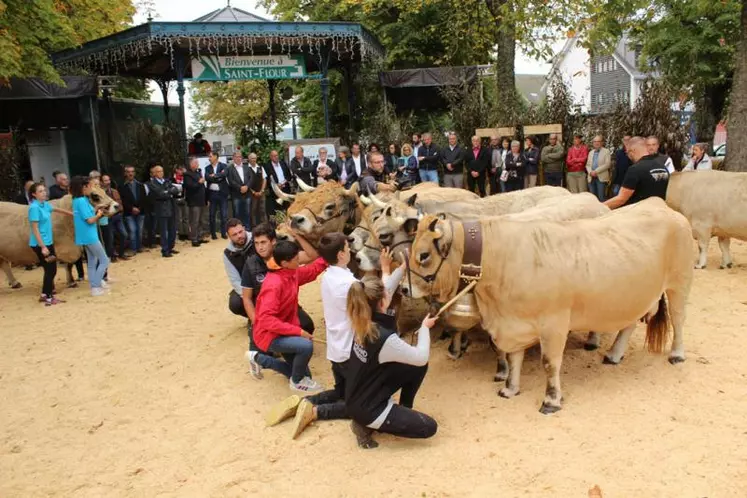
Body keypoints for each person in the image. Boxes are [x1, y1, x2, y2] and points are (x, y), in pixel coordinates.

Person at [344, 276, 438, 449]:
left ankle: (404, 409)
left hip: (361, 393)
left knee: (416, 367)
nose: (389, 292)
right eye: (387, 292)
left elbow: (417, 363)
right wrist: (424, 328)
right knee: (429, 427)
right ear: (382, 302)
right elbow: (421, 356)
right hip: (368, 408)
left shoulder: (363, 319)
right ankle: (363, 425)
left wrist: (394, 270)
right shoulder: (384, 337)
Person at [248, 241, 327, 393]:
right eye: (296, 259)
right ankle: (297, 383)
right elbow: (266, 320)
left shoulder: (290, 272)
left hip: (283, 330)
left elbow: (311, 271)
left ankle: (259, 359)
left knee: (301, 371)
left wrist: (327, 259)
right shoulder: (274, 284)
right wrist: (298, 332)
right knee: (305, 346)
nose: (300, 261)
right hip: (270, 335)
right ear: (285, 262)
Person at [240, 222, 317, 355]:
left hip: (287, 306)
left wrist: (296, 235)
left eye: (263, 242)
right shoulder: (250, 263)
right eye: (256, 243)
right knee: (261, 352)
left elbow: (312, 256)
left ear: (273, 241)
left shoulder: (285, 254)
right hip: (265, 311)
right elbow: (246, 298)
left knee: (307, 326)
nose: (260, 247)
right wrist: (256, 321)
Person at [27, 182, 72, 305]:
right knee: (51, 270)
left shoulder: (44, 204)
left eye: (44, 190)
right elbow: (35, 229)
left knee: (49, 269)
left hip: (48, 242)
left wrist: (72, 214)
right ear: (34, 194)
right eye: (40, 191)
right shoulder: (34, 208)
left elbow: (56, 209)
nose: (44, 192)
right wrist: (43, 247)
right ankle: (48, 297)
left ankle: (44, 294)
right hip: (40, 243)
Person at [604, 136, 670, 209]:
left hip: (639, 214)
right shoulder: (662, 167)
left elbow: (621, 199)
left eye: (627, 153)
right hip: (660, 211)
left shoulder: (635, 169)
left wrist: (600, 206)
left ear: (632, 151)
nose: (628, 156)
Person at [71, 176, 110, 296]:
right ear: (84, 187)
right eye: (90, 186)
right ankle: (96, 285)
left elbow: (86, 214)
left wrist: (96, 208)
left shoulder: (78, 200)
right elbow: (89, 220)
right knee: (104, 260)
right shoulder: (82, 201)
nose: (91, 188)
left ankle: (94, 285)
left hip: (86, 234)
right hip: (89, 235)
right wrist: (98, 215)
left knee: (92, 261)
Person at [147, 165, 181, 258]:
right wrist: (168, 193)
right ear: (154, 173)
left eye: (162, 171)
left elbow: (175, 190)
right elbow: (159, 194)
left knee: (172, 230)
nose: (161, 173)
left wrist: (167, 192)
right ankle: (165, 250)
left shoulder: (167, 181)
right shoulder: (152, 183)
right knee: (163, 231)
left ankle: (170, 247)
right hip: (161, 210)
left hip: (171, 208)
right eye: (158, 171)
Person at [118, 165, 147, 254]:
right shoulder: (121, 186)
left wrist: (139, 208)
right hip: (129, 212)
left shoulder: (140, 185)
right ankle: (133, 248)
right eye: (128, 172)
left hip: (140, 211)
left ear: (134, 173)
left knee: (140, 230)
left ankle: (139, 247)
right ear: (125, 173)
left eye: (132, 171)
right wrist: (132, 208)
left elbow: (144, 198)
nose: (130, 173)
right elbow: (122, 200)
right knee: (132, 230)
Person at [101, 174, 129, 262]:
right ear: (102, 182)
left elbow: (120, 202)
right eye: (105, 181)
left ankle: (121, 253)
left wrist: (121, 212)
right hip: (108, 217)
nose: (108, 182)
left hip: (118, 216)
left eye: (108, 180)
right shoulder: (101, 193)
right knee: (110, 238)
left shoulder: (114, 191)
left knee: (124, 234)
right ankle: (112, 255)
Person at [184, 157, 207, 247]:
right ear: (191, 164)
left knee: (201, 220)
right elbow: (189, 186)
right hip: (194, 201)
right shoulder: (187, 175)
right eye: (196, 162)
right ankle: (194, 239)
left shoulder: (198, 172)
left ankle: (200, 237)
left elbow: (202, 187)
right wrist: (199, 182)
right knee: (194, 221)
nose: (198, 164)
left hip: (201, 200)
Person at [205, 151, 229, 240]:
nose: (209, 158)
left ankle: (223, 233)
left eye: (210, 156)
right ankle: (213, 234)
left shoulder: (223, 166)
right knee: (212, 215)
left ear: (215, 157)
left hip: (222, 194)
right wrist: (218, 177)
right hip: (212, 194)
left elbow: (224, 174)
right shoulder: (207, 168)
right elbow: (207, 178)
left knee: (224, 215)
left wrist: (214, 176)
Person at [226, 151, 253, 228]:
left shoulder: (247, 167)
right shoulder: (229, 168)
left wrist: (247, 187)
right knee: (237, 213)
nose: (238, 158)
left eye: (240, 157)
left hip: (247, 194)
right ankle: (238, 229)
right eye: (237, 157)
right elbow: (231, 181)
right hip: (236, 194)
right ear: (233, 158)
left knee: (247, 213)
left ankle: (247, 229)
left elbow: (251, 178)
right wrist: (240, 187)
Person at [264, 150, 293, 217]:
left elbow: (289, 176)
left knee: (287, 208)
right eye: (274, 156)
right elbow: (267, 180)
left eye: (277, 155)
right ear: (270, 157)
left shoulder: (283, 163)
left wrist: (284, 182)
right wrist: (276, 185)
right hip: (275, 191)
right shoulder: (267, 166)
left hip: (285, 189)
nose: (276, 157)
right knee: (277, 210)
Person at [586, 135, 612, 202]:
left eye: (598, 141)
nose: (596, 143)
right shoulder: (591, 152)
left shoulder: (606, 151)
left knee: (601, 198)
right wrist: (590, 172)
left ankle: (604, 212)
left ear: (602, 142)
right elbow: (588, 165)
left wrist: (596, 171)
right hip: (591, 178)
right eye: (595, 141)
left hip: (601, 178)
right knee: (593, 199)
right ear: (593, 143)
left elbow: (607, 164)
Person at [247, 153, 267, 227]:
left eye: (255, 158)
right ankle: (254, 227)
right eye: (252, 158)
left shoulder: (260, 167)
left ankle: (265, 226)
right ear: (249, 159)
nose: (254, 160)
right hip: (251, 193)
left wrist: (262, 191)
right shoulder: (246, 168)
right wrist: (253, 192)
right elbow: (245, 182)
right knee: (253, 211)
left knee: (263, 210)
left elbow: (264, 179)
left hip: (261, 193)